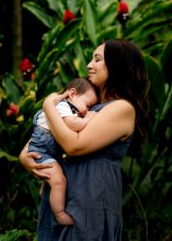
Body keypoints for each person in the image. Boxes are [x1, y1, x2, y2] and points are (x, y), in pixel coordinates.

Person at [19, 39, 150, 241]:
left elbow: (74, 145)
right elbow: (47, 132)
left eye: (97, 59)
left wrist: (48, 106)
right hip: (62, 199)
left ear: (117, 65)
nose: (89, 65)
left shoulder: (122, 108)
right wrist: (24, 155)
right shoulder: (84, 107)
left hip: (90, 200)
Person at [27, 78, 98, 226]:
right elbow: (72, 125)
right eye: (88, 105)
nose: (87, 110)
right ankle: (59, 214)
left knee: (56, 177)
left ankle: (46, 191)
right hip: (43, 148)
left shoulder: (65, 107)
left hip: (49, 150)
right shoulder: (61, 106)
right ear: (72, 94)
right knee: (59, 181)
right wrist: (89, 119)